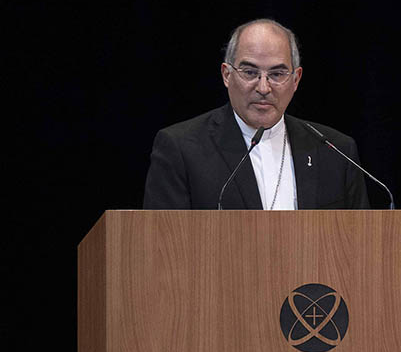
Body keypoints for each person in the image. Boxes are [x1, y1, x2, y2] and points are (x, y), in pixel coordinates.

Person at [143, 18, 369, 210]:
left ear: (296, 80)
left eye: (277, 74)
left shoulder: (336, 151)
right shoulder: (181, 149)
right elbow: (164, 241)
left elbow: (359, 241)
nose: (263, 87)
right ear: (227, 75)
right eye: (250, 72)